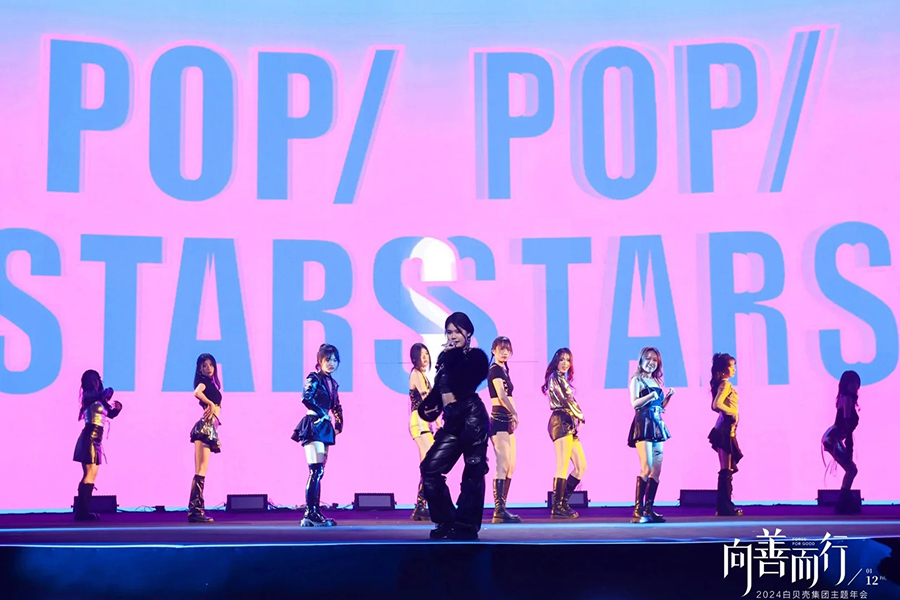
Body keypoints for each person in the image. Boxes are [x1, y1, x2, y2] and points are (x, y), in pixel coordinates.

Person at [417, 312, 490, 540]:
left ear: (468, 332)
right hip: (451, 421)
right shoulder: (445, 357)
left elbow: (462, 383)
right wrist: (428, 408)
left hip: (472, 418)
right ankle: (447, 521)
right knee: (429, 468)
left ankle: (466, 525)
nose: (453, 336)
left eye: (457, 331)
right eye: (449, 332)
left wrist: (451, 356)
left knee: (473, 472)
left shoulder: (476, 358)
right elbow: (441, 387)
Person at [292, 344, 344, 527]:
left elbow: (336, 405)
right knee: (316, 470)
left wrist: (339, 424)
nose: (332, 363)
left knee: (319, 471)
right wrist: (322, 414)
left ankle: (315, 512)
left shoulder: (333, 383)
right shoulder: (313, 377)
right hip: (313, 424)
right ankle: (310, 513)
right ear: (320, 360)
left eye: (335, 360)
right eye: (328, 359)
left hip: (324, 427)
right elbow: (306, 398)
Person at [627, 346, 674, 523]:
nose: (651, 362)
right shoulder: (636, 380)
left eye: (655, 360)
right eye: (648, 358)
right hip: (644, 423)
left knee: (657, 469)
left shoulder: (655, 381)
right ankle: (638, 511)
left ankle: (649, 509)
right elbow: (634, 403)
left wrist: (668, 397)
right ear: (641, 360)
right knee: (646, 467)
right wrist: (649, 396)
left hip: (657, 423)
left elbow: (659, 406)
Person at [543, 348, 586, 519]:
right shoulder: (555, 377)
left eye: (568, 360)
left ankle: (563, 503)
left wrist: (577, 418)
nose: (565, 363)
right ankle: (557, 507)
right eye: (562, 359)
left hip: (569, 423)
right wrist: (580, 415)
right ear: (556, 361)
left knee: (581, 466)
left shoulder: (563, 379)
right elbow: (566, 400)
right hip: (560, 421)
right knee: (562, 465)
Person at [72, 370, 122, 521]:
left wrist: (118, 408)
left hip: (97, 438)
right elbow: (105, 393)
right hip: (90, 436)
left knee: (92, 474)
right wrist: (107, 392)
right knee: (89, 474)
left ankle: (83, 511)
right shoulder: (88, 395)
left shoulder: (99, 398)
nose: (95, 382)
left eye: (97, 379)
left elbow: (110, 414)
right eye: (92, 380)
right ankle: (82, 512)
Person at [488, 336, 521, 523]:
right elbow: (501, 395)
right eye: (501, 349)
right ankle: (499, 510)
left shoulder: (503, 370)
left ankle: (503, 508)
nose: (505, 352)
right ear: (494, 351)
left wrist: (513, 416)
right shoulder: (495, 370)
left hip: (507, 421)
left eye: (507, 349)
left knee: (511, 466)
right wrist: (514, 412)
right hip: (499, 419)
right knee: (502, 464)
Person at [188, 353, 222, 524]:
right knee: (200, 470)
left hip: (209, 429)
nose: (208, 368)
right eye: (204, 365)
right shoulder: (204, 383)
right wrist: (209, 403)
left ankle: (196, 510)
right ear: (199, 369)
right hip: (204, 429)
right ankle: (195, 511)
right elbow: (196, 392)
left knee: (202, 470)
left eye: (210, 365)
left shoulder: (211, 383)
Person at [708, 353, 743, 517]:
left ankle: (724, 506)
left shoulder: (723, 384)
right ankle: (724, 508)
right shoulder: (725, 384)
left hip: (726, 429)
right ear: (723, 370)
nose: (734, 369)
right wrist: (733, 413)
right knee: (725, 470)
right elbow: (716, 405)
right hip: (725, 430)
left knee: (726, 469)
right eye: (731, 366)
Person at [822, 370, 861, 514]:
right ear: (847, 384)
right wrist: (849, 447)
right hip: (833, 439)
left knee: (851, 470)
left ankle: (844, 500)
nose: (856, 386)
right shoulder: (847, 398)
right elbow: (846, 422)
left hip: (833, 438)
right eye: (853, 383)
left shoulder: (844, 398)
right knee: (851, 470)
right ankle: (843, 502)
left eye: (857, 383)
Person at [408, 342, 435, 521]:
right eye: (421, 355)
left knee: (429, 464)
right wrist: (438, 422)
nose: (424, 358)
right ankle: (421, 506)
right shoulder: (416, 374)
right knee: (430, 463)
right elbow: (427, 400)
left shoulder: (423, 375)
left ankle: (421, 506)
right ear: (414, 358)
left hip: (424, 422)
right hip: (419, 421)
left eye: (426, 354)